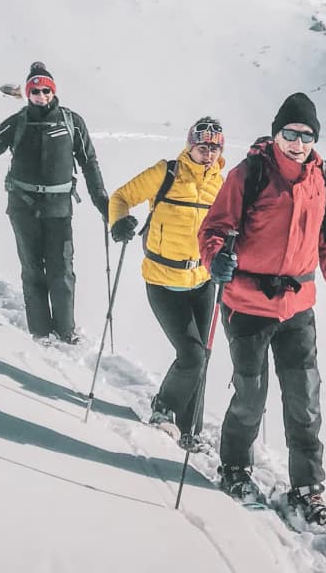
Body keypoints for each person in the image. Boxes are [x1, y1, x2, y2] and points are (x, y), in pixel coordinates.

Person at [198, 92, 326, 527]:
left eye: (306, 135)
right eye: (290, 133)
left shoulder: (325, 180)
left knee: (304, 401)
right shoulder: (251, 172)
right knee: (250, 396)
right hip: (247, 305)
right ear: (277, 133)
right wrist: (216, 256)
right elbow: (215, 226)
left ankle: (307, 488)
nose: (298, 142)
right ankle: (235, 469)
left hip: (298, 308)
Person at [0, 61, 109, 343]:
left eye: (46, 90)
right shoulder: (18, 122)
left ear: (54, 91)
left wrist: (102, 201)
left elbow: (89, 163)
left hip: (59, 208)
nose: (41, 96)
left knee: (62, 270)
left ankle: (66, 330)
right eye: (36, 91)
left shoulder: (72, 122)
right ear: (28, 93)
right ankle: (40, 332)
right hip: (23, 206)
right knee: (33, 269)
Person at [107, 117, 226, 451]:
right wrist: (119, 223)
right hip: (162, 280)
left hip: (202, 280)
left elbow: (231, 226)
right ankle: (163, 408)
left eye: (215, 148)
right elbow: (120, 197)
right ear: (190, 145)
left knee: (202, 356)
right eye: (203, 147)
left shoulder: (222, 184)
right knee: (191, 354)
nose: (208, 154)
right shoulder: (167, 172)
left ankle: (190, 432)